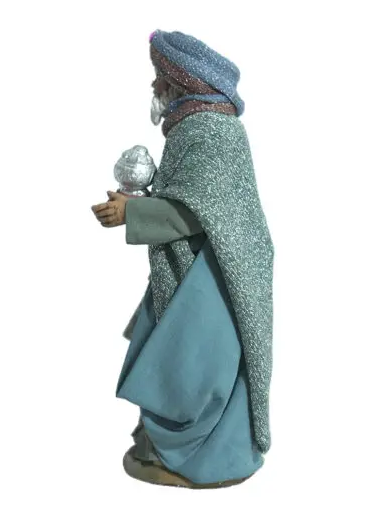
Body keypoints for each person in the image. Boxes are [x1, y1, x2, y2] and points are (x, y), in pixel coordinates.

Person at [91, 29, 274, 489]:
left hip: (211, 278)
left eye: (161, 77)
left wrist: (132, 213)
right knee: (171, 359)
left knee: (192, 368)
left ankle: (199, 459)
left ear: (181, 82)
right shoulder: (194, 125)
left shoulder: (209, 130)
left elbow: (195, 212)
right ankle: (162, 448)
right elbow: (189, 198)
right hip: (188, 270)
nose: (155, 86)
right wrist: (140, 201)